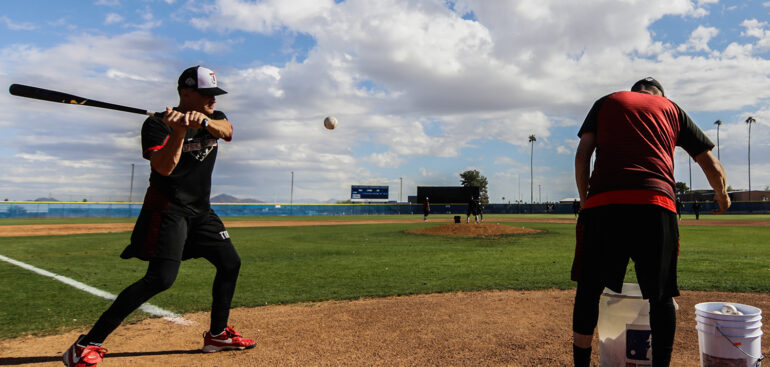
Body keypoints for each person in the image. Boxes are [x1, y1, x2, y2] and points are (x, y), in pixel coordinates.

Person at [63, 66, 255, 367]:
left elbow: (227, 131)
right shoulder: (156, 126)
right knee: (160, 279)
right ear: (185, 93)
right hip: (169, 209)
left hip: (201, 211)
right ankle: (86, 344)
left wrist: (202, 120)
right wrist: (178, 131)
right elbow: (164, 168)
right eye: (206, 95)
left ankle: (217, 335)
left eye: (214, 95)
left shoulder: (215, 117)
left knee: (230, 263)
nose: (213, 101)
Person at [571, 77, 729, 367]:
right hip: (655, 205)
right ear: (659, 95)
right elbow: (710, 162)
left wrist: (585, 202)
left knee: (589, 289)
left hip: (604, 205)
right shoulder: (670, 108)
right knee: (661, 296)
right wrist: (723, 196)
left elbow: (583, 156)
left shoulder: (607, 101)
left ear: (634, 93)